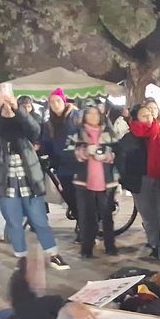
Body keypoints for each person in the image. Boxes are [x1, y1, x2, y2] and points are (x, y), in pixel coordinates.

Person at [0, 89, 70, 270]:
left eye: (9, 103)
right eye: (3, 103)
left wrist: (17, 108)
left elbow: (35, 130)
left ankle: (53, 254)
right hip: (5, 181)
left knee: (39, 220)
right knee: (14, 223)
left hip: (29, 179)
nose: (7, 106)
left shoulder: (22, 121)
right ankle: (21, 257)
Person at [116, 102, 160, 260]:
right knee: (149, 215)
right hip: (140, 181)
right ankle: (154, 244)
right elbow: (121, 161)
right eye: (144, 115)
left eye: (150, 114)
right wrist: (126, 180)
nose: (148, 117)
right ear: (136, 118)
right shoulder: (129, 138)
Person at [67, 104, 120, 258]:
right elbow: (68, 154)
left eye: (96, 113)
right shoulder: (77, 133)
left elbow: (119, 152)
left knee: (107, 216)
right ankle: (86, 248)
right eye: (89, 113)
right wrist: (84, 152)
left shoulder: (109, 132)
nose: (93, 116)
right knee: (86, 216)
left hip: (106, 181)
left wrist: (107, 156)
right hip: (84, 182)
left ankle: (110, 246)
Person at [39, 87, 79, 179]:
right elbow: (47, 144)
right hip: (62, 167)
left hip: (79, 165)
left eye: (58, 101)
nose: (55, 104)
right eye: (52, 102)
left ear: (64, 101)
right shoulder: (49, 124)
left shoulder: (77, 116)